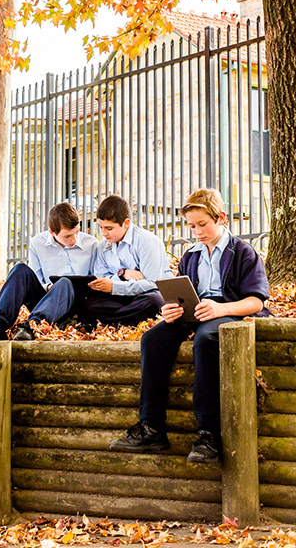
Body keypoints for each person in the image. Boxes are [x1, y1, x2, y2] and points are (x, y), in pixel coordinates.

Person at [109, 188, 271, 464]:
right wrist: (170, 309)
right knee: (153, 339)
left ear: (221, 218)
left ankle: (208, 434)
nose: (197, 232)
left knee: (206, 340)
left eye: (202, 225)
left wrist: (221, 309)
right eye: (192, 226)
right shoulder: (191, 256)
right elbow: (185, 294)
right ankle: (151, 427)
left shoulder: (243, 252)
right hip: (198, 310)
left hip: (229, 310)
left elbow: (256, 301)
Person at [0, 202, 98, 343]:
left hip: (77, 304)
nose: (74, 239)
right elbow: (37, 279)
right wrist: (48, 287)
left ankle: (32, 326)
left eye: (77, 232)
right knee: (19, 269)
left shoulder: (92, 244)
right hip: (46, 300)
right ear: (52, 233)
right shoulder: (37, 243)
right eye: (67, 236)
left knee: (65, 282)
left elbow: (97, 280)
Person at [78, 195, 171, 328]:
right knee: (88, 304)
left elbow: (152, 283)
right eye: (101, 227)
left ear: (126, 223)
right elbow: (102, 279)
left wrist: (115, 286)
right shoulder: (103, 246)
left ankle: (104, 323)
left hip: (146, 295)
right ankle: (120, 321)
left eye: (109, 228)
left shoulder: (146, 241)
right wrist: (121, 275)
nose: (104, 233)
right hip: (121, 298)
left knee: (154, 301)